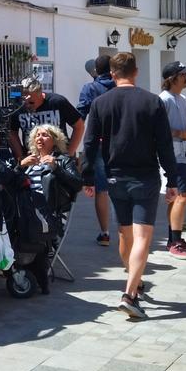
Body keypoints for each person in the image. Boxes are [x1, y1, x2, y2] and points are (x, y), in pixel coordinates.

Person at [82, 53, 178, 320]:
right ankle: (130, 294)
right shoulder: (152, 102)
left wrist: (88, 177)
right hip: (145, 177)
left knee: (125, 234)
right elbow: (164, 144)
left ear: (112, 74)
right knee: (143, 238)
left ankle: (133, 280)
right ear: (135, 72)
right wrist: (173, 179)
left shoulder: (100, 103)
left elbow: (90, 144)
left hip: (114, 177)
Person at [19, 124, 84, 285]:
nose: (40, 138)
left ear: (55, 140)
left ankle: (29, 268)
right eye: (37, 135)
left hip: (51, 213)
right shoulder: (29, 159)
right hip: (27, 209)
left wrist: (56, 168)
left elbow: (77, 185)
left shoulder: (63, 160)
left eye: (45, 135)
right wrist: (19, 167)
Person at [158, 61, 186, 259]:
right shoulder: (163, 100)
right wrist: (183, 134)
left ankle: (173, 237)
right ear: (172, 78)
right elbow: (159, 130)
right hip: (175, 155)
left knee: (179, 198)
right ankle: (174, 242)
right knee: (181, 197)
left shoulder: (182, 98)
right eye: (183, 74)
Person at [77, 55, 116, 246]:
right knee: (123, 185)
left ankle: (105, 233)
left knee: (102, 189)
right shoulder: (121, 87)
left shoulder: (90, 88)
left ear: (96, 71)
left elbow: (80, 115)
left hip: (99, 142)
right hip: (121, 142)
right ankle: (129, 229)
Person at [8, 77, 84, 163]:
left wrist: (69, 154)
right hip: (33, 159)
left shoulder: (57, 102)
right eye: (24, 102)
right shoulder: (18, 106)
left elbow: (79, 126)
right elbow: (12, 132)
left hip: (59, 159)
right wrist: (21, 157)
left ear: (40, 94)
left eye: (31, 102)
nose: (27, 105)